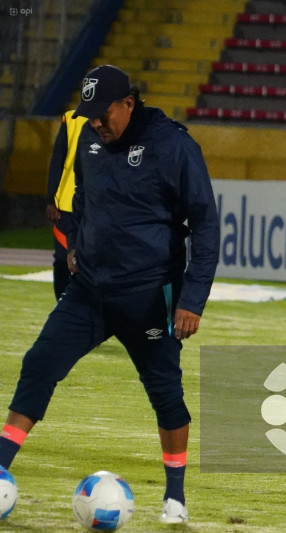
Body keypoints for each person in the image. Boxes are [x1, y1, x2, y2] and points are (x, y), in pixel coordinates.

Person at [0, 65, 220, 524]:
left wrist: (192, 300)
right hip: (89, 290)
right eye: (91, 114)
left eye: (104, 113)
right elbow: (83, 195)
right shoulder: (88, 138)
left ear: (128, 103)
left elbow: (205, 223)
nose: (97, 122)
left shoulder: (174, 145)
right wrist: (76, 243)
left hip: (149, 295)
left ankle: (175, 498)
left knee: (166, 394)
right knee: (39, 364)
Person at [45, 109, 88, 299]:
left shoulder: (120, 118)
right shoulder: (71, 118)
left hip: (100, 205)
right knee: (63, 260)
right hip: (67, 204)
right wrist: (51, 199)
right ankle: (62, 306)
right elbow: (58, 159)